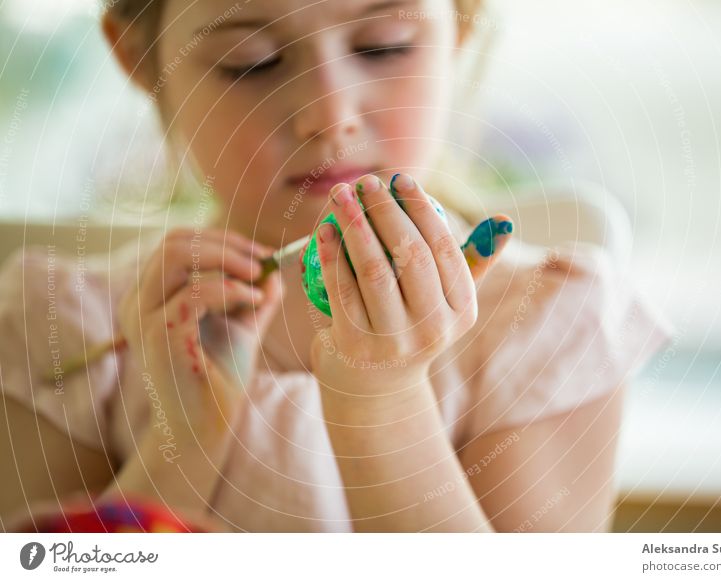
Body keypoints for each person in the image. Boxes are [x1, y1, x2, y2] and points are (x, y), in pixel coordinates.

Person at [0, 0, 672, 532]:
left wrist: (380, 403)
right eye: (250, 61)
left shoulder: (546, 324)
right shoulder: (59, 326)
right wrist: (183, 444)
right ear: (141, 61)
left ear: (459, 31)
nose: (330, 116)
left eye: (384, 45)